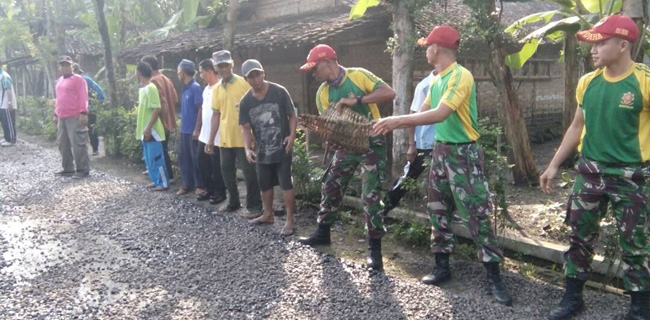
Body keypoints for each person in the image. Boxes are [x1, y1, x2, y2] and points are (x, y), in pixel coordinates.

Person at [372, 26, 512, 305]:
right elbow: (423, 110)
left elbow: (440, 114)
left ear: (437, 48)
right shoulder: (436, 79)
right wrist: (392, 121)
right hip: (440, 151)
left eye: (427, 46)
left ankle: (494, 275)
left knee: (477, 214)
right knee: (437, 209)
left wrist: (396, 122)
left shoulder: (460, 76)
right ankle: (442, 265)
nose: (425, 50)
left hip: (464, 155)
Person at [539, 15, 650, 320]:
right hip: (589, 173)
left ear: (623, 45)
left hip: (631, 177)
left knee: (635, 245)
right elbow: (576, 127)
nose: (594, 49)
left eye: (601, 42)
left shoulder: (644, 81)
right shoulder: (588, 82)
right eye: (593, 43)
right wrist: (553, 166)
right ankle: (573, 299)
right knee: (578, 238)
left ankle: (640, 309)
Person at [298, 44, 396, 271]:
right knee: (331, 184)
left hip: (372, 141)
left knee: (370, 195)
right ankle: (323, 232)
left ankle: (375, 250)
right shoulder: (322, 92)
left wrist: (356, 101)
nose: (313, 73)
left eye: (315, 68)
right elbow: (330, 123)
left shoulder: (358, 75)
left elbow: (389, 93)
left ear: (328, 62)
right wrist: (328, 138)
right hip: (347, 144)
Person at [239, 59, 297, 236]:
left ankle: (290, 220)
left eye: (258, 75)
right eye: (251, 76)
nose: (256, 79)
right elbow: (246, 128)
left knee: (285, 182)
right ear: (246, 79)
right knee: (264, 183)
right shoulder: (246, 102)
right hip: (262, 150)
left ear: (264, 73)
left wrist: (292, 136)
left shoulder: (279, 92)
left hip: (282, 147)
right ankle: (268, 214)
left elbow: (292, 116)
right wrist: (248, 149)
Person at [205, 50, 262, 214]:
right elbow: (216, 115)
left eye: (226, 65)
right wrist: (210, 140)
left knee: (249, 173)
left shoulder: (243, 84)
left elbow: (255, 108)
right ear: (216, 68)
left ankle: (254, 205)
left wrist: (255, 136)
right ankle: (234, 201)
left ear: (232, 65)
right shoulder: (216, 89)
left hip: (244, 137)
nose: (223, 69)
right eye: (220, 66)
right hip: (225, 138)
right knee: (226, 171)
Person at [381, 70, 436, 216]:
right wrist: (412, 144)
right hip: (425, 142)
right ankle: (383, 209)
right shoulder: (425, 86)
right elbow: (413, 116)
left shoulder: (453, 81)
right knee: (408, 177)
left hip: (446, 141)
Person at [141, 55, 178, 183]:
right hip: (169, 120)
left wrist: (163, 121)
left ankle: (168, 177)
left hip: (161, 122)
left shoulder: (153, 82)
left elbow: (160, 104)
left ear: (149, 67)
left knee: (160, 151)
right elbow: (174, 99)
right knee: (164, 149)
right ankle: (168, 176)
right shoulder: (166, 79)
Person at [54, 55, 90, 179]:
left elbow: (83, 96)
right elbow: (58, 98)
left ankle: (82, 169)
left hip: (74, 116)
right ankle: (68, 168)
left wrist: (83, 113)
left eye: (67, 65)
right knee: (62, 143)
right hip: (61, 116)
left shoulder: (78, 79)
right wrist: (55, 113)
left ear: (72, 66)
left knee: (78, 143)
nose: (65, 67)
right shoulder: (59, 80)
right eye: (62, 65)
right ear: (59, 67)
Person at [196, 59, 227, 205]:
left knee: (217, 166)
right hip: (204, 134)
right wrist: (198, 128)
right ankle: (209, 189)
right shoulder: (206, 88)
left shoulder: (220, 87)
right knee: (202, 162)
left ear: (209, 71)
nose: (201, 76)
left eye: (202, 72)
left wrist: (212, 136)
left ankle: (220, 192)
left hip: (217, 135)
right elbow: (203, 110)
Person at [135, 61, 169, 191]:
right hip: (145, 130)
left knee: (156, 157)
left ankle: (163, 182)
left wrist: (149, 127)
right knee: (149, 158)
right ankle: (155, 180)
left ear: (138, 73)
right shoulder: (143, 89)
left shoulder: (151, 88)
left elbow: (156, 108)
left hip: (152, 130)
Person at [176, 59, 204, 196]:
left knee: (196, 159)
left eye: (179, 72)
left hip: (193, 131)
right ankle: (186, 185)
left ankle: (199, 185)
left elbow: (200, 109)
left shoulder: (195, 88)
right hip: (185, 130)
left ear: (183, 72)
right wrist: (180, 128)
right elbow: (184, 111)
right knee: (184, 158)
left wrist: (197, 129)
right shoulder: (185, 89)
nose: (178, 75)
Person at [73, 63, 105, 156]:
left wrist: (95, 105)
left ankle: (95, 149)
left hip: (89, 109)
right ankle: (81, 150)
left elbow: (100, 92)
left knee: (91, 129)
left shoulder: (86, 80)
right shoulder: (70, 83)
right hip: (76, 110)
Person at [0, 57, 17, 147]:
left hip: (6, 103)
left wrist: (9, 102)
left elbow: (8, 90)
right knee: (4, 122)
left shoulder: (4, 76)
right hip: (1, 104)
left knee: (9, 122)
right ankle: (7, 138)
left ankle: (11, 139)